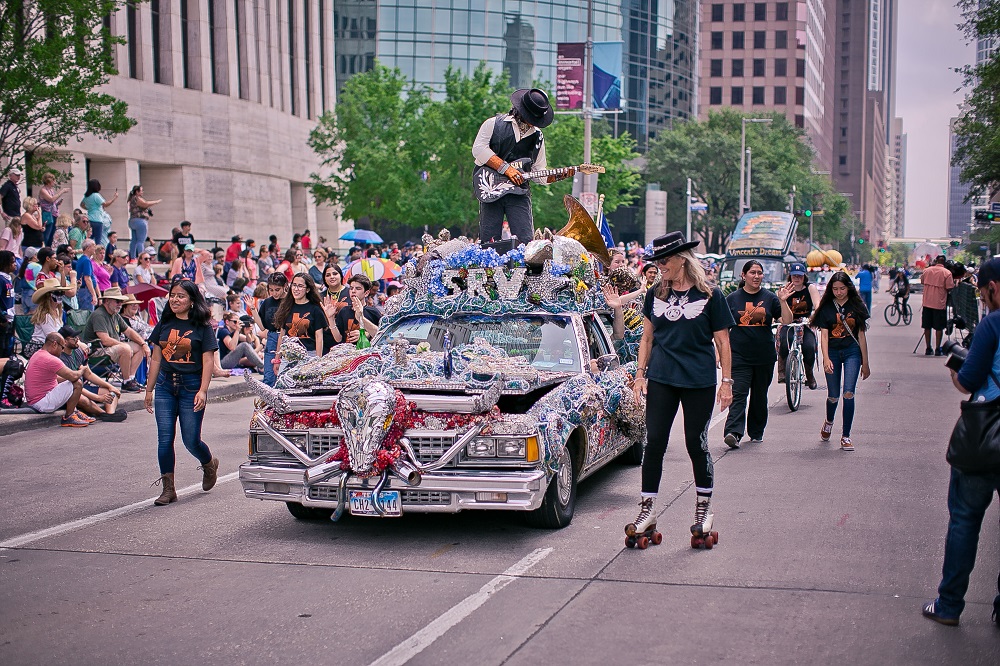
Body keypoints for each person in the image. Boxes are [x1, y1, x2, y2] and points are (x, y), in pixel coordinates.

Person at [625, 232, 735, 545]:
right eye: (656, 261)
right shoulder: (655, 294)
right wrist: (640, 374)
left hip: (698, 379)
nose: (659, 266)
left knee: (695, 443)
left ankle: (703, 509)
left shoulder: (710, 295)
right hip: (661, 377)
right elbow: (647, 337)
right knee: (655, 441)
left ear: (682, 260)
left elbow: (723, 341)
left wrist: (726, 382)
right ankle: (647, 510)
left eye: (664, 261)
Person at [922, 258, 1000, 628]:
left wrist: (955, 367)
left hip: (986, 439)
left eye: (982, 292)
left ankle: (949, 604)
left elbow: (968, 382)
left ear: (992, 288)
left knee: (966, 520)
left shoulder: (993, 324)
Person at [144, 279, 221, 506]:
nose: (175, 299)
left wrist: (203, 391)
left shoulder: (202, 327)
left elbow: (208, 361)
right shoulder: (165, 323)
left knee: (191, 440)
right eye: (173, 295)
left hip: (191, 386)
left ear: (191, 301)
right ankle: (169, 489)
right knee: (165, 438)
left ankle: (208, 463)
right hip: (166, 386)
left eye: (181, 296)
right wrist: (149, 389)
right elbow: (156, 357)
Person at [472, 88, 572, 245]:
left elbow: (539, 173)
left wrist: (561, 174)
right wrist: (507, 169)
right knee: (489, 240)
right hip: (490, 187)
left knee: (526, 241)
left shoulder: (538, 136)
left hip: (519, 193)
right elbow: (478, 149)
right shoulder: (493, 124)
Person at [723, 261, 793, 449]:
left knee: (759, 396)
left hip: (764, 356)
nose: (756, 276)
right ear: (743, 275)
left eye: (759, 273)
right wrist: (719, 352)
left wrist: (784, 301)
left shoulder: (770, 298)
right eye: (752, 272)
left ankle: (756, 431)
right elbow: (722, 330)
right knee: (738, 394)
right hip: (739, 356)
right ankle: (733, 432)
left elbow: (786, 320)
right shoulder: (732, 299)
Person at [810, 271, 871, 451]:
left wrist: (865, 363)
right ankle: (829, 421)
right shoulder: (827, 307)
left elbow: (861, 335)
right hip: (834, 353)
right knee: (833, 395)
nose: (839, 292)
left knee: (849, 393)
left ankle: (846, 435)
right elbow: (824, 336)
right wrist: (826, 358)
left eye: (842, 288)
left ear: (848, 288)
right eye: (835, 289)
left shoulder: (857, 305)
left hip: (852, 351)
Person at [82, 287, 151, 392]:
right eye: (117, 301)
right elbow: (105, 340)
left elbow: (129, 331)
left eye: (121, 301)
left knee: (139, 347)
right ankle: (126, 382)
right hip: (97, 351)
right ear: (107, 301)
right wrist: (124, 345)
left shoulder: (115, 315)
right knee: (125, 348)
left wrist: (143, 344)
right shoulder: (99, 315)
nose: (120, 304)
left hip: (110, 348)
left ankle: (130, 379)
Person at [24, 332, 91, 426]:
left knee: (68, 382)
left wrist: (69, 377)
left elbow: (57, 379)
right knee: (77, 383)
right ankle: (69, 417)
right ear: (55, 344)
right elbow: (74, 376)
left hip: (36, 400)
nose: (62, 351)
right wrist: (83, 369)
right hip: (42, 403)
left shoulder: (39, 354)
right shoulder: (50, 359)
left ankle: (75, 412)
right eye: (62, 347)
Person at [272, 273, 329, 372]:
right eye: (294, 285)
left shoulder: (315, 309)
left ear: (307, 289)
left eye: (300, 286)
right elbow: (282, 335)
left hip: (309, 356)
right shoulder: (286, 307)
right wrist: (277, 358)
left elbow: (319, 337)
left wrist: (318, 360)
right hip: (288, 356)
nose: (296, 289)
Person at [777, 262, 820, 387]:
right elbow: (778, 309)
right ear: (790, 276)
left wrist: (813, 317)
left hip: (806, 323)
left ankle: (809, 375)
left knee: (809, 347)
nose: (797, 278)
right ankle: (782, 372)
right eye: (794, 276)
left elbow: (817, 304)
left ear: (804, 276)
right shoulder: (784, 290)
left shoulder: (810, 288)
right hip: (789, 323)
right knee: (784, 341)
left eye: (799, 276)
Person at [244, 272, 288, 386]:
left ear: (285, 287)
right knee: (269, 377)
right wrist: (252, 308)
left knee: (285, 377)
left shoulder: (290, 301)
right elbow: (262, 326)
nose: (274, 293)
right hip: (272, 337)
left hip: (288, 339)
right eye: (271, 290)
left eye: (277, 289)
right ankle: (269, 403)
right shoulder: (267, 302)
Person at [922, 255, 955, 356]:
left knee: (927, 326)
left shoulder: (927, 271)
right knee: (939, 327)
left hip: (927, 302)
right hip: (939, 304)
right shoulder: (947, 273)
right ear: (944, 262)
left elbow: (922, 281)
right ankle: (937, 349)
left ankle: (928, 348)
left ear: (936, 261)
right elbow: (949, 287)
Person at [334, 274, 381, 345]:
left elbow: (381, 335)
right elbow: (338, 339)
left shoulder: (373, 312)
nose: (353, 291)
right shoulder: (344, 310)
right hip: (348, 352)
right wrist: (330, 318)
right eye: (351, 288)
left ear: (366, 293)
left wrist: (366, 334)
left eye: (358, 288)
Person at [29, 278, 70, 355]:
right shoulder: (45, 315)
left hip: (54, 344)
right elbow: (53, 337)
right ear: (49, 296)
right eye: (57, 293)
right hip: (40, 347)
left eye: (62, 293)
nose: (60, 295)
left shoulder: (58, 311)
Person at [80, 179, 117, 245]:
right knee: (98, 241)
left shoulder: (87, 196)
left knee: (89, 238)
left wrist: (89, 208)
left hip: (89, 219)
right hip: (97, 220)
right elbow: (105, 204)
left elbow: (81, 204)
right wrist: (114, 198)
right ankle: (96, 254)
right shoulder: (96, 195)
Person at [38, 173, 68, 248]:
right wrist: (62, 191)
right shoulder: (43, 190)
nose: (54, 182)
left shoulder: (51, 190)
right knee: (47, 234)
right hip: (47, 214)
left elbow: (52, 202)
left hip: (54, 214)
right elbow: (51, 199)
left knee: (52, 235)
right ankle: (44, 248)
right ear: (49, 181)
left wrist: (57, 204)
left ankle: (49, 248)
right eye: (53, 180)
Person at [75, 240, 99, 311]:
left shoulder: (82, 259)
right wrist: (94, 294)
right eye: (93, 246)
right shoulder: (86, 261)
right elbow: (87, 278)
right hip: (86, 291)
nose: (95, 248)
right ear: (88, 248)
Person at [0, 251, 15, 357]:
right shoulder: (0, 279)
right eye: (13, 262)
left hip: (10, 319)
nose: (15, 264)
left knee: (8, 348)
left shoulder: (8, 278)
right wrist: (2, 319)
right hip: (3, 321)